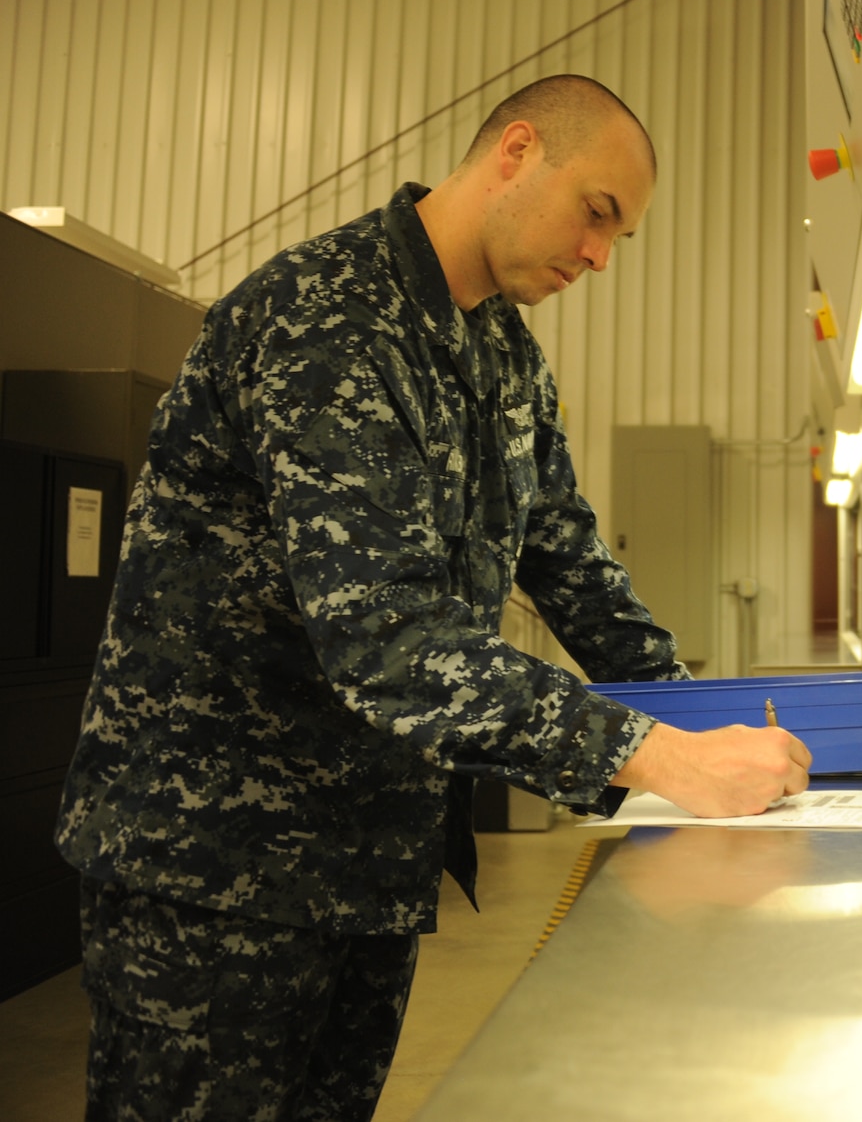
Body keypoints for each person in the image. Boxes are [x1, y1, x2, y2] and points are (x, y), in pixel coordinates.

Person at [56, 74, 811, 1120]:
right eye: (596, 213)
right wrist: (659, 755)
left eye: (617, 238)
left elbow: (574, 569)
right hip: (213, 866)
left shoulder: (503, 357)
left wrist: (699, 719)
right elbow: (387, 637)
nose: (598, 256)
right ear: (514, 151)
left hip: (366, 860)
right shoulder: (323, 317)